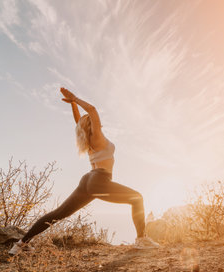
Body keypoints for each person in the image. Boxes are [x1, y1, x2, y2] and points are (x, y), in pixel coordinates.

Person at [9, 87, 159, 255]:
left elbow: (78, 122)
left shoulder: (87, 140)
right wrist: (76, 98)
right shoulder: (97, 137)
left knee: (58, 213)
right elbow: (92, 110)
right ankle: (141, 239)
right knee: (137, 198)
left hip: (87, 180)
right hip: (100, 180)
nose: (97, 121)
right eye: (93, 121)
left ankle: (20, 244)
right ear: (92, 124)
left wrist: (73, 104)